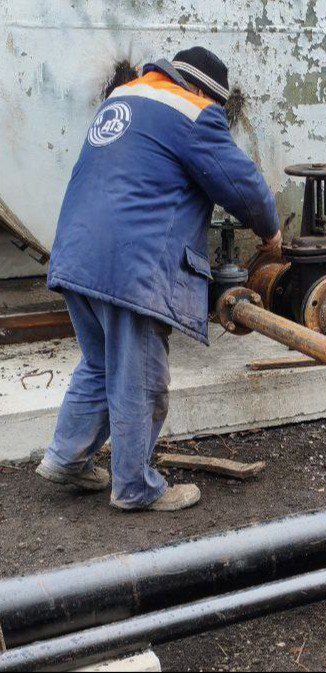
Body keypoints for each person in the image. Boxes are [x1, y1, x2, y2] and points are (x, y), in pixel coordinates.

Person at [36, 47, 282, 512]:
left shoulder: (125, 97)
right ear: (206, 91)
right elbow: (241, 184)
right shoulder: (194, 112)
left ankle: (66, 459)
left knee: (99, 364)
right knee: (142, 377)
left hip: (76, 254)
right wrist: (270, 232)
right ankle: (134, 487)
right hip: (130, 266)